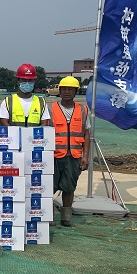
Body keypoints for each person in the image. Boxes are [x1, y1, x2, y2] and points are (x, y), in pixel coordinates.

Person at [51, 76, 91, 227]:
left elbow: (86, 134)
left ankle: (66, 218)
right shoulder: (50, 109)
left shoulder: (83, 110)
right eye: (64, 89)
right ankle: (48, 217)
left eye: (70, 89)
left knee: (69, 187)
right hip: (54, 156)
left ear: (76, 91)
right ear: (60, 91)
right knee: (49, 187)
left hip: (74, 156)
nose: (67, 92)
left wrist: (85, 156)